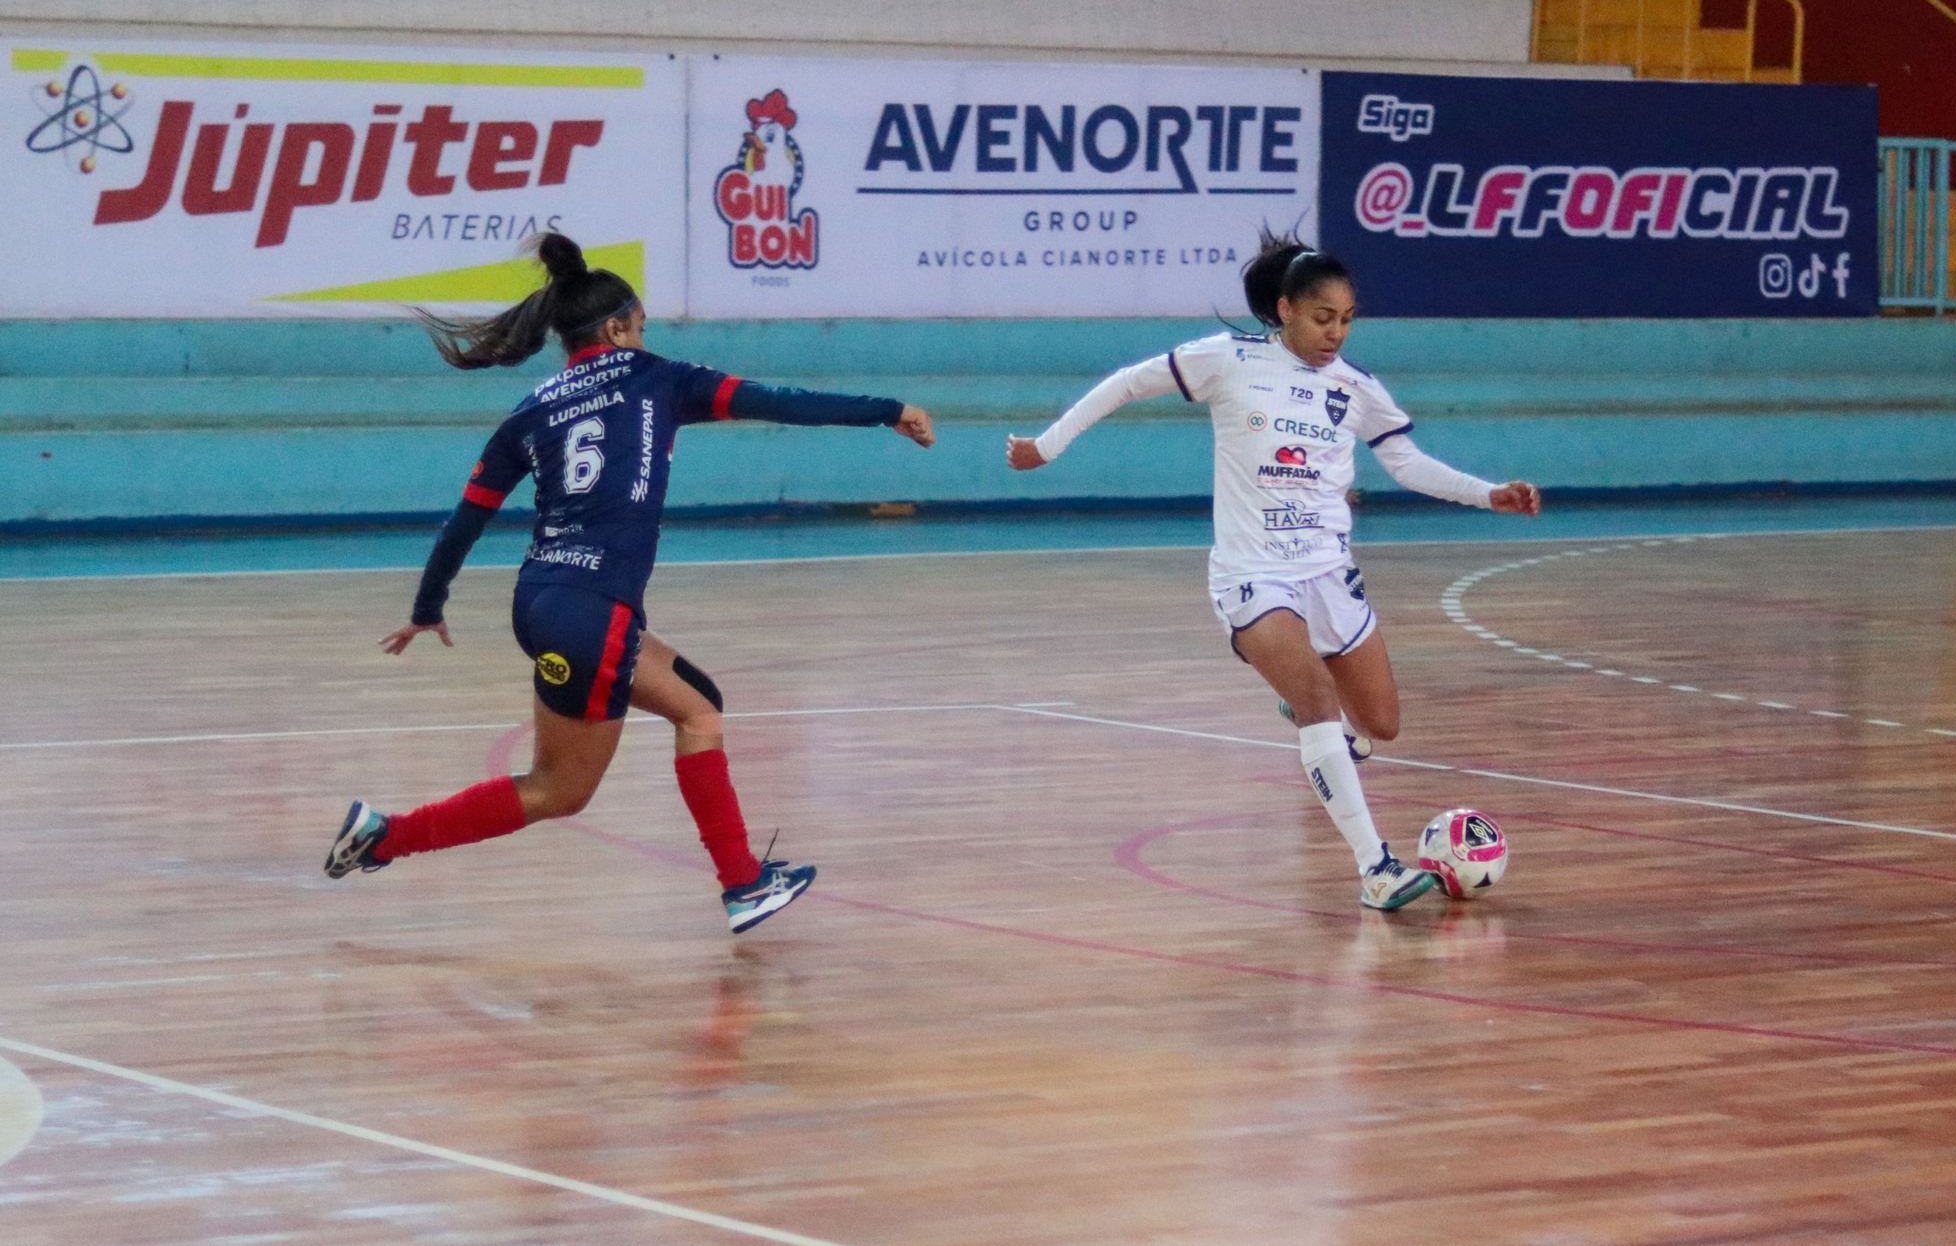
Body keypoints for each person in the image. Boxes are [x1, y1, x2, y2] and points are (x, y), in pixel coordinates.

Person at [326, 234, 936, 933]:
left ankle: (744, 882)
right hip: (594, 611)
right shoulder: (658, 378)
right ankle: (388, 835)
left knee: (699, 707)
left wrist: (428, 606)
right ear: (617, 329)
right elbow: (781, 401)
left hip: (542, 601)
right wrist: (889, 409)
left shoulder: (532, 409)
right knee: (559, 789)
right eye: (641, 326)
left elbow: (465, 520)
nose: (645, 338)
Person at [1007, 232, 1540, 912]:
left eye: (1347, 320)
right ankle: (1376, 869)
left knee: (1380, 725)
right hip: (1252, 574)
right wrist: (1045, 447)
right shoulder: (1227, 361)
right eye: (1323, 318)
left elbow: (1405, 461)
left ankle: (1307, 709)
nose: (1336, 334)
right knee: (1319, 700)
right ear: (1285, 309)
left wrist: (1486, 492)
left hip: (1328, 573)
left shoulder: (1355, 388)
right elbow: (1127, 383)